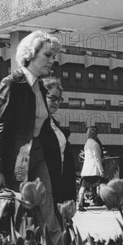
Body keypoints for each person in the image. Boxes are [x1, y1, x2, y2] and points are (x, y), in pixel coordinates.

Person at [0, 31, 63, 245]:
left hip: (37, 155)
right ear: (31, 54)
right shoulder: (12, 83)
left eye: (53, 57)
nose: (52, 61)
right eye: (47, 55)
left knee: (48, 210)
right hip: (16, 159)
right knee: (19, 215)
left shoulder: (39, 85)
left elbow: (44, 126)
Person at [40, 77, 76, 205]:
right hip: (41, 187)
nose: (56, 102)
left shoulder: (53, 123)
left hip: (58, 186)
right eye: (52, 98)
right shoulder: (35, 123)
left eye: (59, 99)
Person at [78, 126, 104, 211]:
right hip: (93, 169)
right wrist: (101, 170)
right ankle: (102, 200)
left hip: (86, 170)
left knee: (83, 187)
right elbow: (97, 158)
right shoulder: (95, 144)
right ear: (95, 135)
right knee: (101, 184)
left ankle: (80, 204)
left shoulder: (86, 144)